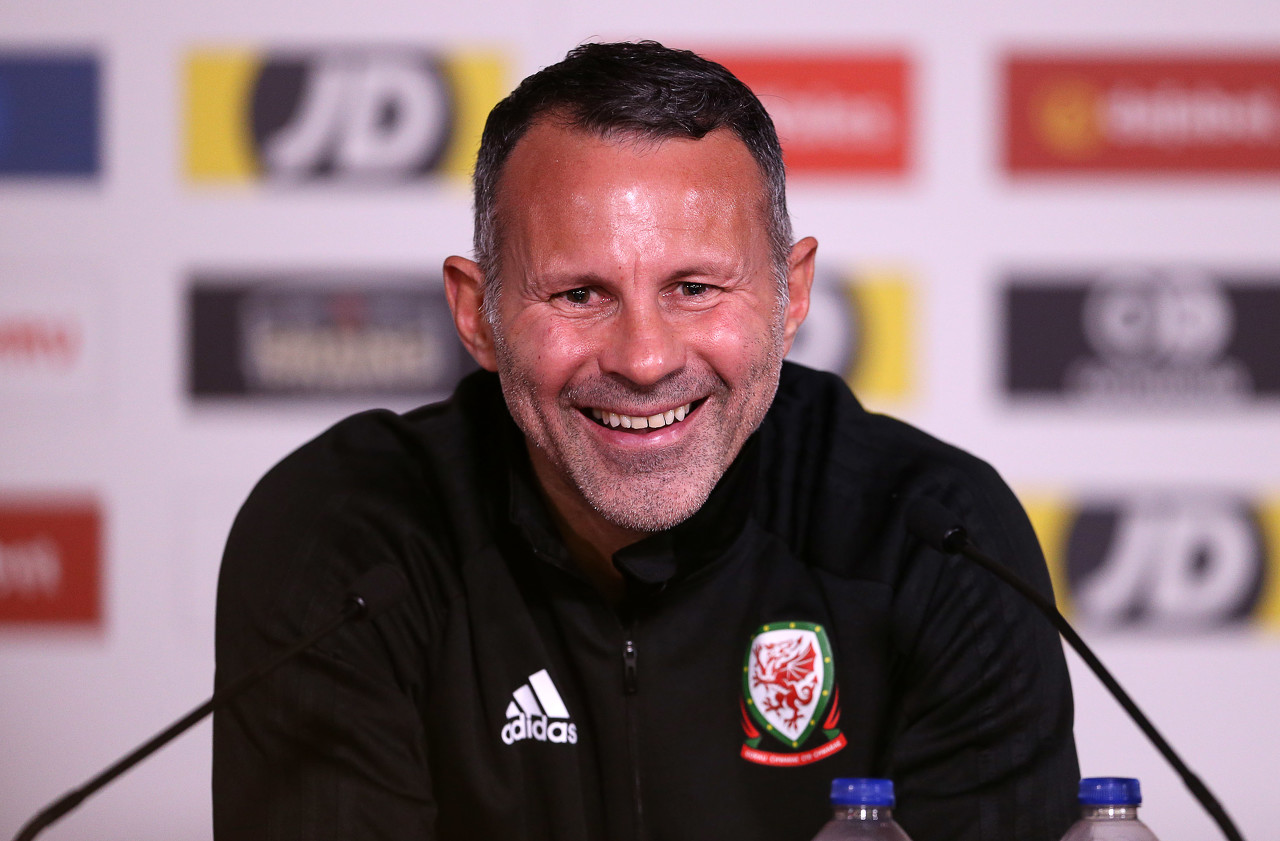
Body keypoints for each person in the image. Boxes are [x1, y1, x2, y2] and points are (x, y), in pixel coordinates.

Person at [213, 40, 1079, 841]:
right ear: (477, 315)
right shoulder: (344, 539)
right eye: (579, 295)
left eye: (694, 287)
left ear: (792, 296)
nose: (644, 359)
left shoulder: (939, 538)